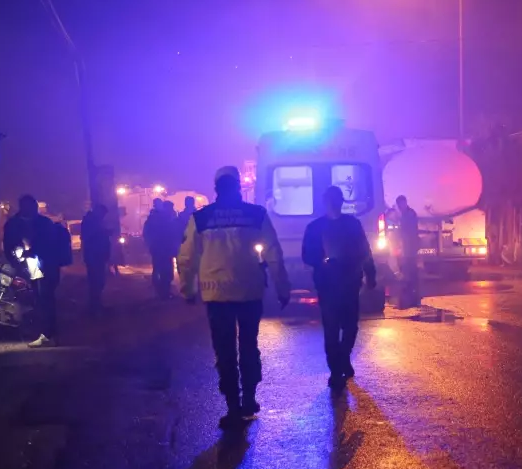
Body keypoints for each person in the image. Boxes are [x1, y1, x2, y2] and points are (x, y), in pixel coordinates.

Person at [178, 166, 290, 429]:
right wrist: (282, 287)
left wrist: (188, 290)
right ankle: (249, 399)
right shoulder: (256, 215)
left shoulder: (201, 218)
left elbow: (186, 258)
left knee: (225, 351)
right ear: (238, 186)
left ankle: (232, 407)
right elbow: (274, 253)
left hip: (216, 294)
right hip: (249, 291)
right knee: (249, 345)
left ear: (216, 188)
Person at [303, 185, 377, 391]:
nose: (335, 204)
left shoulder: (352, 224)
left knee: (349, 327)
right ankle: (336, 370)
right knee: (333, 328)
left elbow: (365, 250)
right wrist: (323, 261)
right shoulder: (316, 227)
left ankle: (342, 360)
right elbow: (307, 255)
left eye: (336, 200)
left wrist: (371, 273)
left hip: (349, 282)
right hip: (328, 285)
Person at [3, 194, 64, 348]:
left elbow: (49, 244)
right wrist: (17, 256)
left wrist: (29, 252)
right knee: (38, 300)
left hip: (43, 267)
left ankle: (47, 334)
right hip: (31, 266)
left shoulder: (39, 223)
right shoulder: (20, 223)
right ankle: (45, 333)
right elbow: (9, 243)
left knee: (44, 299)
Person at [80, 203, 112, 316]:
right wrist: (104, 233)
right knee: (96, 281)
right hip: (94, 255)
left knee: (98, 281)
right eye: (103, 214)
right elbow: (89, 237)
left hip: (97, 255)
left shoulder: (93, 221)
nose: (103, 216)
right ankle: (94, 306)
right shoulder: (90, 222)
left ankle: (96, 304)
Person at [394, 194, 421, 308]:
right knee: (408, 267)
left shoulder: (409, 214)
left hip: (410, 245)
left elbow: (408, 230)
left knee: (410, 267)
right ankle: (411, 289)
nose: (400, 207)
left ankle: (412, 291)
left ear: (404, 203)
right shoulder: (406, 213)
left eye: (401, 204)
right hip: (407, 245)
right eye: (399, 205)